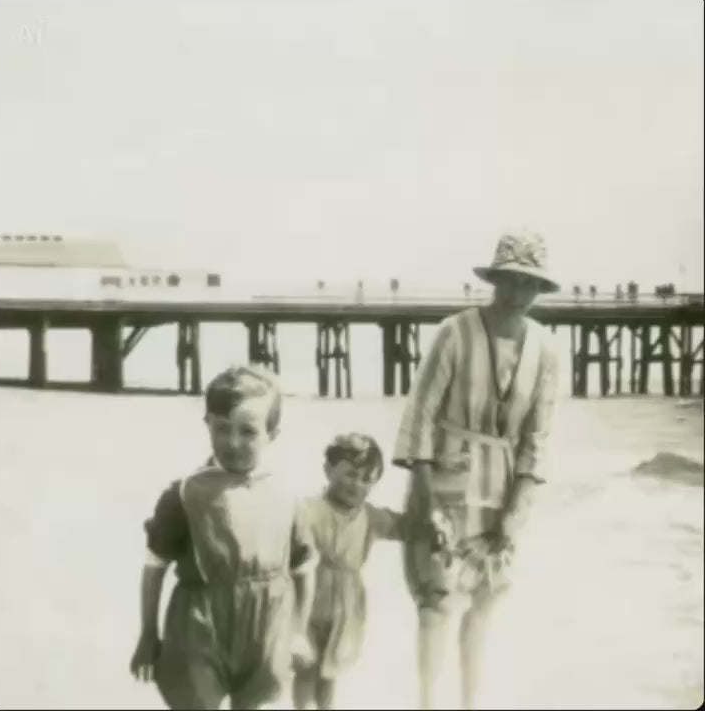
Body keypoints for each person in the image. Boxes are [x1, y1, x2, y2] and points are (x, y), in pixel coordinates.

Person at [392, 231, 560, 709]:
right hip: (444, 482)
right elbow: (422, 415)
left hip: (503, 489)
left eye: (529, 283)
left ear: (539, 288)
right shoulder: (455, 331)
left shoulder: (546, 348)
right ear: (495, 279)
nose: (519, 292)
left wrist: (516, 512)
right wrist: (424, 501)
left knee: (486, 603)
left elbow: (537, 437)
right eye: (511, 279)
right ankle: (426, 702)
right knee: (436, 601)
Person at [129, 364, 318, 710]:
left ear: (272, 434)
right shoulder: (184, 493)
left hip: (267, 624)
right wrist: (148, 633)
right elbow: (154, 566)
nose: (233, 442)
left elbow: (304, 567)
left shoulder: (287, 495)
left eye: (248, 431)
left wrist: (298, 633)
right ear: (207, 425)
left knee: (258, 701)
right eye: (222, 428)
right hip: (199, 624)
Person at [292, 433, 422, 710]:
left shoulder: (370, 516)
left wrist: (429, 515)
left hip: (347, 605)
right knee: (306, 667)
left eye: (366, 479)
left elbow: (405, 528)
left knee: (331, 669)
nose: (357, 484)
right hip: (310, 599)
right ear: (328, 469)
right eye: (350, 474)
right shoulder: (309, 509)